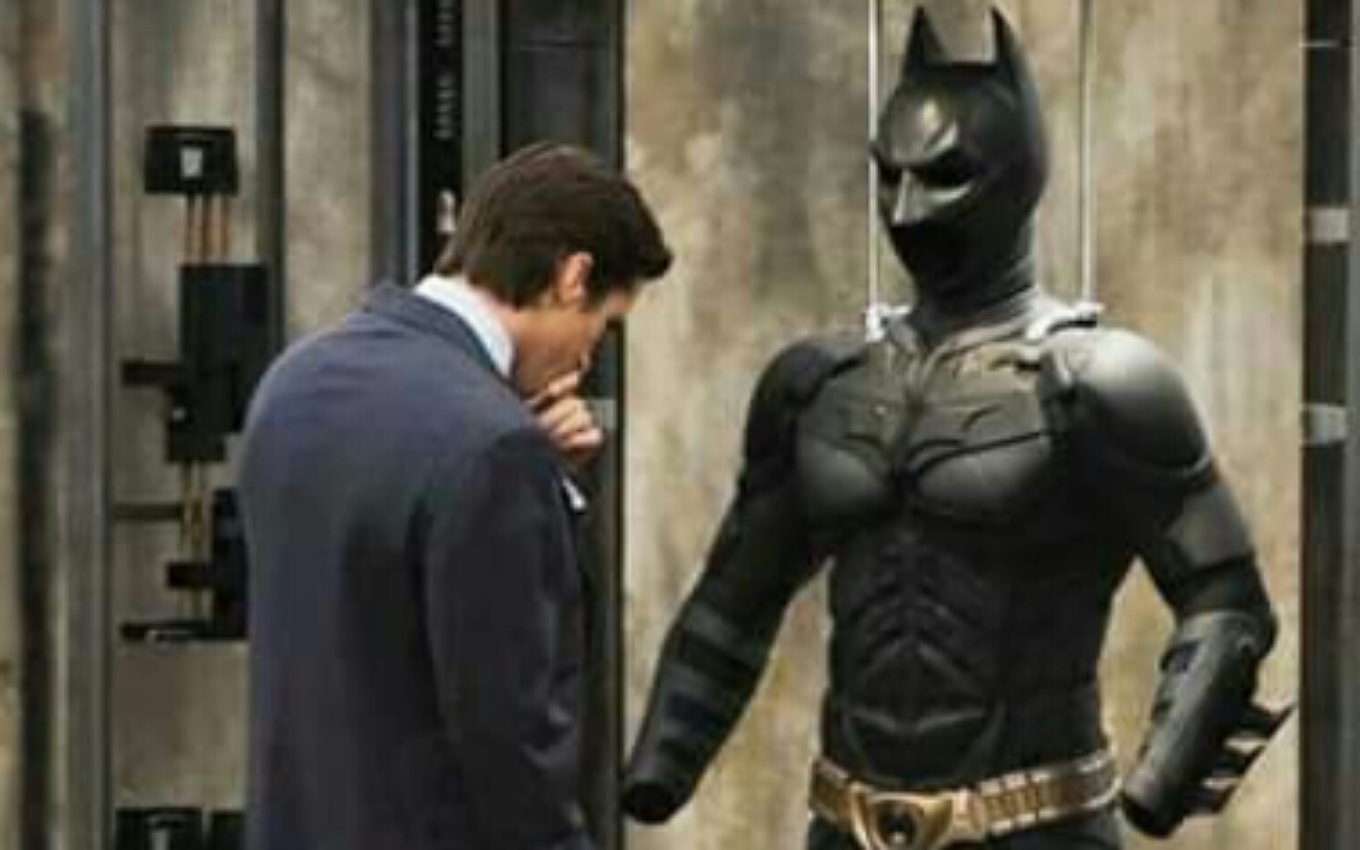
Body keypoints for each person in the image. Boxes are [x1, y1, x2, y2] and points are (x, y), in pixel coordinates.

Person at [622, 10, 1286, 850]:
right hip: (847, 824)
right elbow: (732, 603)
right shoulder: (817, 385)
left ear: (1015, 179)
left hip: (1038, 829)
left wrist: (1162, 783)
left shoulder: (1099, 384)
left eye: (942, 177)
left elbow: (1226, 602)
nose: (907, 210)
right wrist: (660, 766)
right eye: (888, 176)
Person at [239, 143, 672, 850]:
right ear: (572, 277)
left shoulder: (295, 381)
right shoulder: (494, 448)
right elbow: (510, 741)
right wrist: (523, 465)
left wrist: (533, 470)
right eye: (605, 325)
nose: (588, 355)